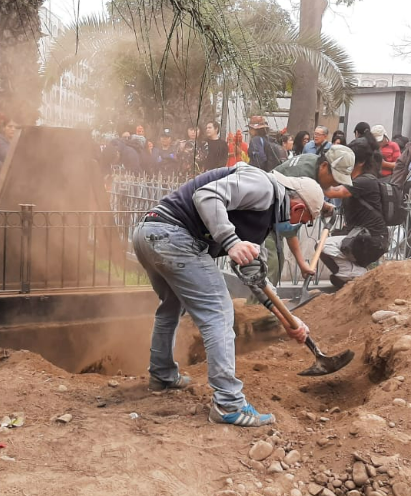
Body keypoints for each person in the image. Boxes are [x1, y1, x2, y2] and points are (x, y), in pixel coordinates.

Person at [133, 162, 314, 427]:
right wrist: (230, 241)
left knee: (171, 306)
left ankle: (162, 375)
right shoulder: (264, 187)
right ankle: (228, 404)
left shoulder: (260, 221)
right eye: (304, 222)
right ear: (298, 207)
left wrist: (288, 320)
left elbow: (255, 277)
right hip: (172, 235)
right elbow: (206, 195)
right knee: (218, 311)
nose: (297, 227)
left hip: (149, 233)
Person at [273, 146, 357, 277]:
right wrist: (302, 264)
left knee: (274, 262)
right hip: (260, 215)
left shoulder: (313, 162)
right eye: (335, 179)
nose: (335, 184)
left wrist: (321, 205)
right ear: (324, 166)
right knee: (271, 263)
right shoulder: (302, 175)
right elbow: (289, 229)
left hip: (270, 215)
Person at [321, 139, 388, 287]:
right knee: (326, 246)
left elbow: (333, 192)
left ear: (361, 161)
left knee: (325, 246)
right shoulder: (356, 180)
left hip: (371, 240)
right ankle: (350, 276)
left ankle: (360, 276)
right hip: (358, 237)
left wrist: (313, 181)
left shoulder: (364, 181)